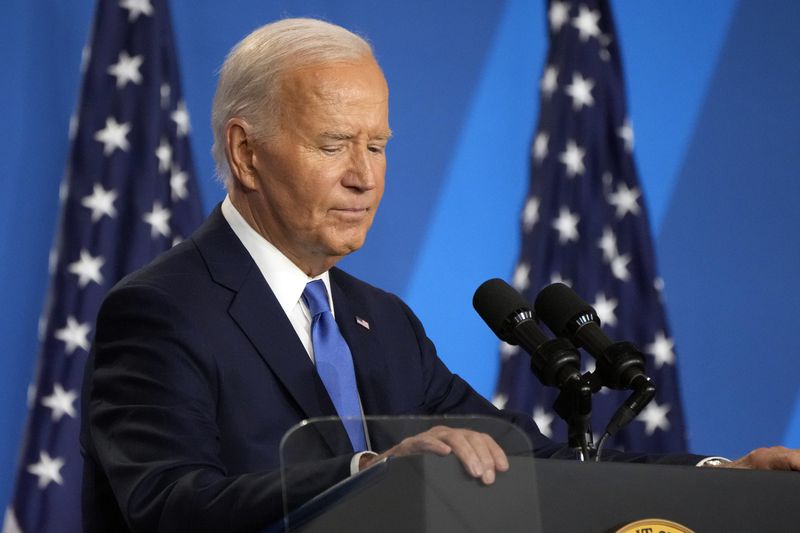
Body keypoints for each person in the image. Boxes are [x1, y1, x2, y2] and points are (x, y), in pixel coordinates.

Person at [80, 17, 800, 533]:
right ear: (245, 152)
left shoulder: (383, 321)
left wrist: (719, 477)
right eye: (334, 144)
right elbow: (166, 502)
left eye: (379, 145)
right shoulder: (161, 310)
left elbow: (540, 459)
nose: (364, 177)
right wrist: (372, 470)